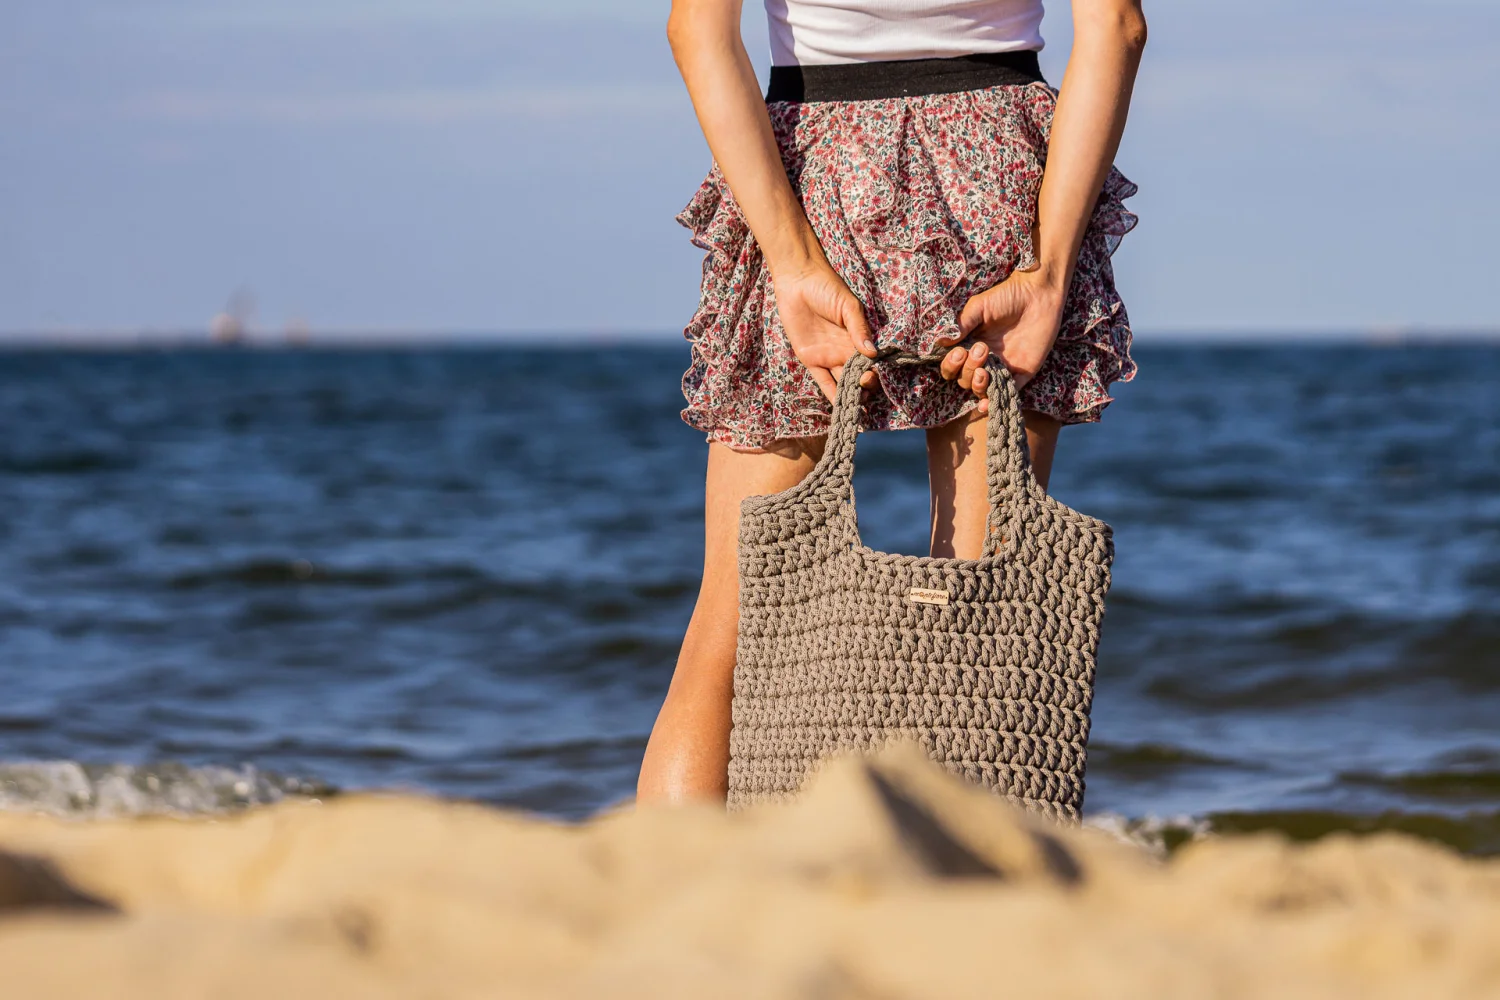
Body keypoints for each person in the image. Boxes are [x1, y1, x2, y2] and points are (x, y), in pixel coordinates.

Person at [638, 0, 1146, 803]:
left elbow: (696, 31)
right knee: (978, 607)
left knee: (731, 621)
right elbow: (1116, 25)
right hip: (997, 170)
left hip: (808, 169)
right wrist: (1049, 272)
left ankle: (671, 875)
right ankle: (948, 869)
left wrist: (792, 264)